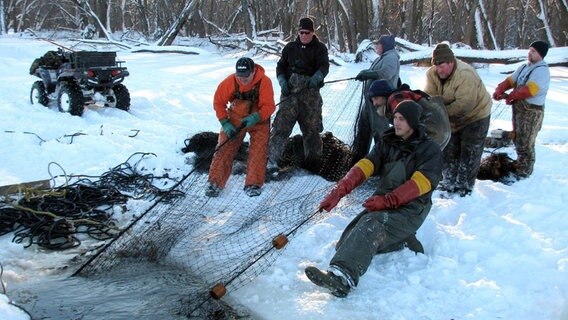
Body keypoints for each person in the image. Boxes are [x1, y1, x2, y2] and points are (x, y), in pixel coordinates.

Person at [304, 100, 443, 297]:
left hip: (411, 210)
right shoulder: (388, 141)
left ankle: (342, 279)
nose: (396, 123)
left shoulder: (430, 150)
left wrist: (387, 201)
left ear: (413, 122)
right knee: (346, 242)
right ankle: (401, 240)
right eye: (395, 118)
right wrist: (339, 191)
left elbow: (419, 185)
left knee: (372, 224)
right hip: (386, 203)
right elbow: (366, 165)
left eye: (402, 119)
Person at [424, 43, 491, 197]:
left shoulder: (465, 75)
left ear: (451, 62)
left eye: (442, 66)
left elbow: (464, 105)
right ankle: (448, 181)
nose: (438, 69)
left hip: (476, 116)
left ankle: (464, 187)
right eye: (436, 66)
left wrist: (440, 113)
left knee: (469, 151)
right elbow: (429, 97)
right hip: (450, 117)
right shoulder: (432, 74)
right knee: (449, 149)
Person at [206, 57, 275, 197]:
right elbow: (218, 102)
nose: (242, 79)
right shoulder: (230, 81)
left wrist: (256, 117)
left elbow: (269, 106)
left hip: (259, 118)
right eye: (239, 76)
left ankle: (253, 184)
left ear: (253, 71)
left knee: (258, 151)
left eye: (246, 76)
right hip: (236, 117)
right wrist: (225, 123)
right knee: (224, 147)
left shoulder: (264, 81)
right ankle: (214, 183)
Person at [269, 17, 329, 173]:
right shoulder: (290, 48)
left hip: (310, 97)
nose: (303, 35)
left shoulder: (320, 48)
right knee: (280, 128)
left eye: (306, 32)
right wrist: (282, 81)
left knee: (312, 131)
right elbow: (280, 66)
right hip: (290, 95)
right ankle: (271, 161)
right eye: (301, 32)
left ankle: (313, 164)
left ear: (312, 32)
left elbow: (324, 66)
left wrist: (316, 78)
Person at [492, 41, 550, 178]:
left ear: (541, 54)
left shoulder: (542, 70)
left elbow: (531, 89)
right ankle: (520, 164)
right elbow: (511, 80)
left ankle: (525, 170)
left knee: (526, 141)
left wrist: (512, 95)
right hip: (519, 110)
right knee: (518, 138)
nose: (530, 53)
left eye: (534, 51)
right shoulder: (524, 67)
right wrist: (500, 89)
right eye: (529, 50)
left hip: (532, 112)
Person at [351, 35, 400, 163]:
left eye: (378, 44)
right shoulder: (383, 57)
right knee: (364, 131)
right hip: (370, 103)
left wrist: (370, 74)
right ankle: (358, 161)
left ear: (385, 46)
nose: (376, 47)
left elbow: (386, 73)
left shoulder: (391, 57)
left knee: (381, 133)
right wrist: (366, 73)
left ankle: (384, 163)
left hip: (380, 104)